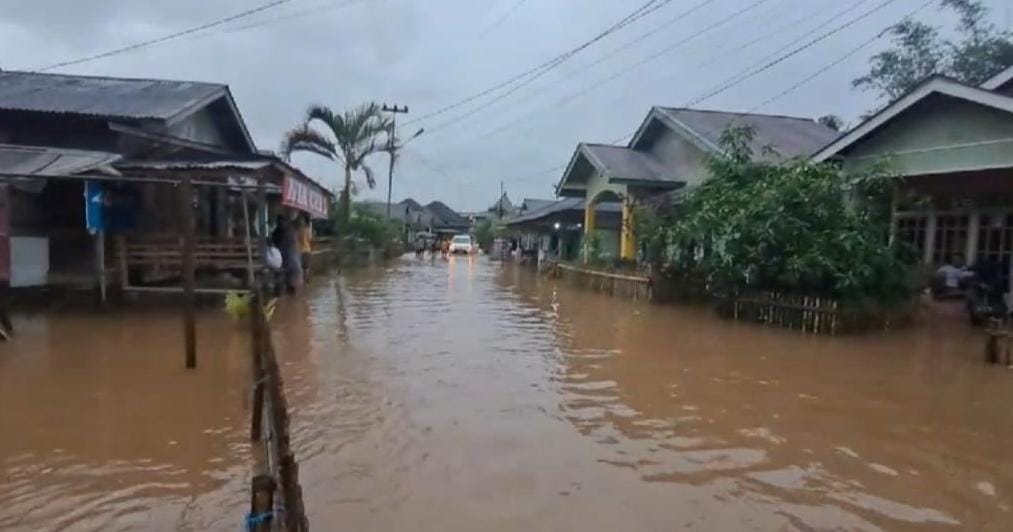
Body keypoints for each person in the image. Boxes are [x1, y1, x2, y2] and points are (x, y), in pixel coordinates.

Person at [271, 214, 302, 294]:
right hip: (286, 258)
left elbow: (275, 244)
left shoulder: (288, 231)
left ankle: (288, 293)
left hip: (287, 258)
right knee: (287, 280)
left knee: (288, 280)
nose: (281, 223)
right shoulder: (289, 231)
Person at [297, 214, 313, 283]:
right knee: (306, 267)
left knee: (301, 267)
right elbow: (310, 239)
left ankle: (302, 281)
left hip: (299, 250)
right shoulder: (308, 229)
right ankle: (306, 280)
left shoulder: (299, 229)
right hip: (306, 250)